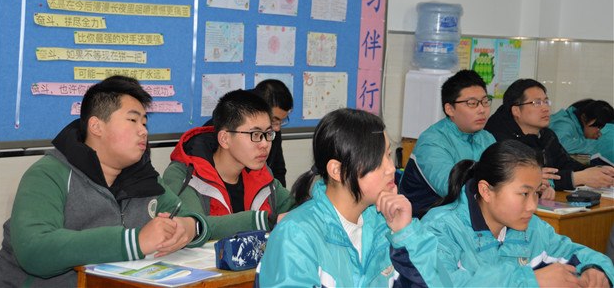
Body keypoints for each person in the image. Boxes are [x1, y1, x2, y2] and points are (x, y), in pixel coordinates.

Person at [0, 76, 209, 287]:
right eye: (133, 120)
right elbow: (35, 250)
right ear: (96, 126)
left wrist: (191, 226)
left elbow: (183, 215)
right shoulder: (48, 174)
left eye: (144, 123)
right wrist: (134, 241)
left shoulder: (143, 177)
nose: (143, 131)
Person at [391, 140, 614, 287]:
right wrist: (529, 281)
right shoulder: (442, 228)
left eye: (536, 193)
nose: (532, 206)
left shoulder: (532, 228)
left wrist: (595, 270)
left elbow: (578, 254)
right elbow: (442, 283)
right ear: (486, 191)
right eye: (523, 194)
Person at [257, 108, 438, 287]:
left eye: (389, 155)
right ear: (338, 170)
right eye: (377, 160)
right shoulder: (296, 235)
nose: (391, 169)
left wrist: (406, 233)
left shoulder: (387, 224)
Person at [163, 89, 295, 240]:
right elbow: (193, 226)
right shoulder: (183, 175)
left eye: (268, 134)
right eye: (256, 135)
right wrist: (262, 221)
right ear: (225, 139)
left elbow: (297, 209)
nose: (265, 144)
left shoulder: (262, 175)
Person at [398, 70, 498, 217]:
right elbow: (454, 190)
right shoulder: (432, 142)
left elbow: (502, 177)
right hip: (426, 222)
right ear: (450, 109)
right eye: (472, 103)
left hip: (469, 216)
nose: (482, 109)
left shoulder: (487, 138)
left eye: (485, 101)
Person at [485, 79, 614, 189]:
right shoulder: (499, 139)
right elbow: (520, 180)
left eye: (546, 102)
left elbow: (565, 164)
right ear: (516, 110)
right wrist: (576, 178)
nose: (545, 108)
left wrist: (597, 172)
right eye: (537, 103)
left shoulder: (547, 135)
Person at [204, 79, 293, 187]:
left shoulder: (271, 129)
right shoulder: (212, 133)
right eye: (255, 134)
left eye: (281, 121)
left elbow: (278, 169)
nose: (277, 128)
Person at [550, 99, 614, 155]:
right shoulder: (565, 123)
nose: (599, 134)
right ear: (584, 118)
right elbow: (559, 147)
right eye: (598, 127)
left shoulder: (579, 129)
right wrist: (600, 145)